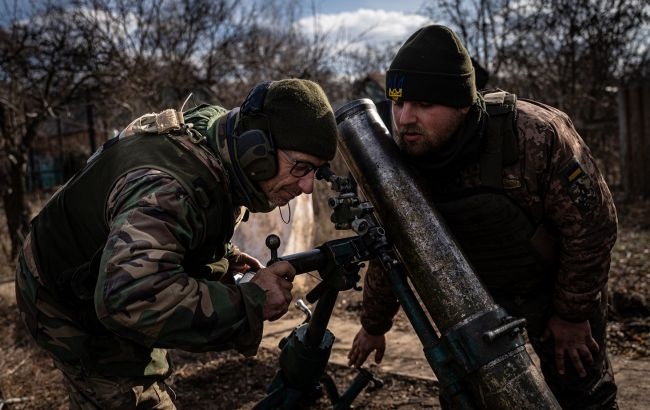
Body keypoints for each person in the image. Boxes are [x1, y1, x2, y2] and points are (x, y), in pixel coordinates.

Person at [15, 79, 338, 409]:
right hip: (62, 299)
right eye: (301, 167)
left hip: (100, 272)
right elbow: (129, 300)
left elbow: (189, 219)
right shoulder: (168, 189)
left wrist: (222, 258)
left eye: (316, 171)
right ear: (258, 151)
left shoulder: (221, 138)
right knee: (126, 388)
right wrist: (250, 301)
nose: (308, 186)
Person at [347, 25, 618, 409]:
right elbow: (392, 246)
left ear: (461, 104)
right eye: (397, 102)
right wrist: (374, 325)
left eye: (424, 105)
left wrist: (572, 316)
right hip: (472, 298)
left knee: (582, 394)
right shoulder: (400, 161)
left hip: (554, 286)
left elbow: (593, 228)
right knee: (466, 399)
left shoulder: (533, 136)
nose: (405, 118)